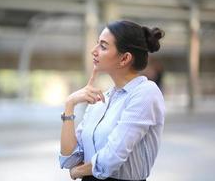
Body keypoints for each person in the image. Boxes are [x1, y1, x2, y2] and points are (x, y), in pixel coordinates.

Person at [59, 20, 165, 181]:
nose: (94, 51)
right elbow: (69, 159)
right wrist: (70, 104)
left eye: (103, 46)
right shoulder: (102, 98)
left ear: (124, 59)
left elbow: (110, 159)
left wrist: (77, 172)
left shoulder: (145, 92)